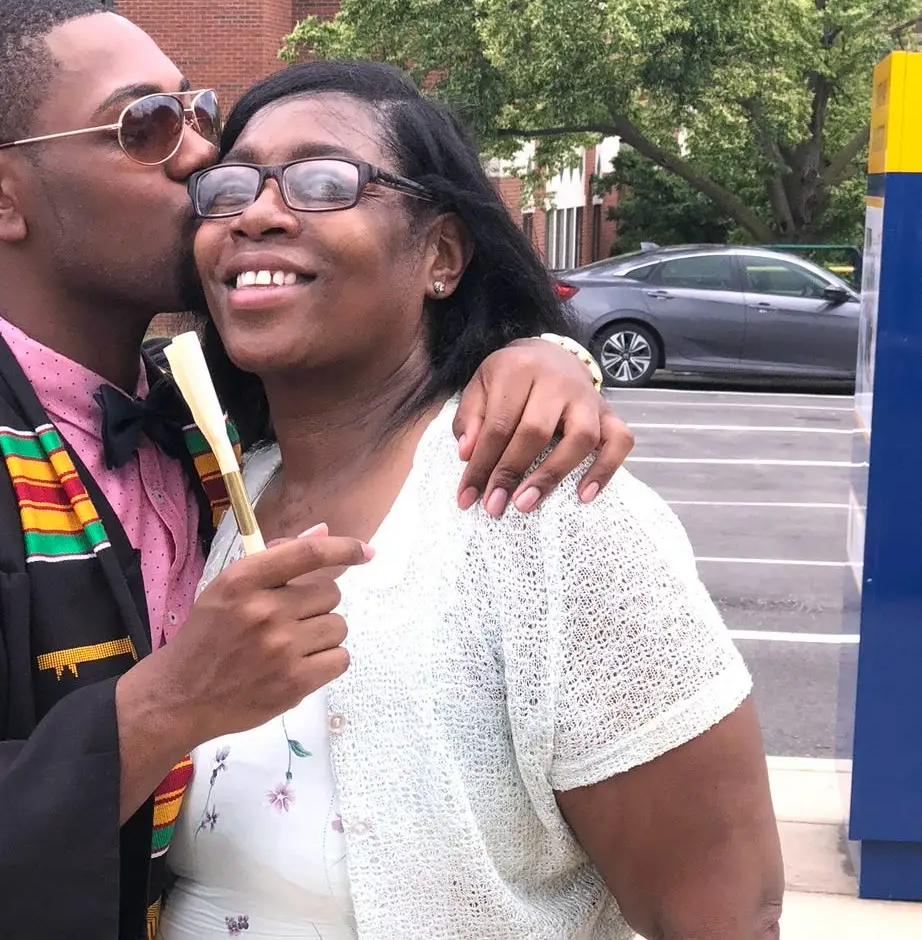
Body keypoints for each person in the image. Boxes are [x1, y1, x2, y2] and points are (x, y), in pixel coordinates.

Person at [0, 0, 634, 940]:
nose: (203, 160)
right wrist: (160, 711)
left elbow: (385, 359)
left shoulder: (200, 421)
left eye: (197, 115)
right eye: (145, 126)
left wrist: (541, 357)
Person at [158, 61, 784, 940]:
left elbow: (724, 912)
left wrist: (557, 354)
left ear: (442, 256)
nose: (257, 212)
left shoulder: (543, 508)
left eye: (324, 180)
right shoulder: (217, 496)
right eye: (228, 188)